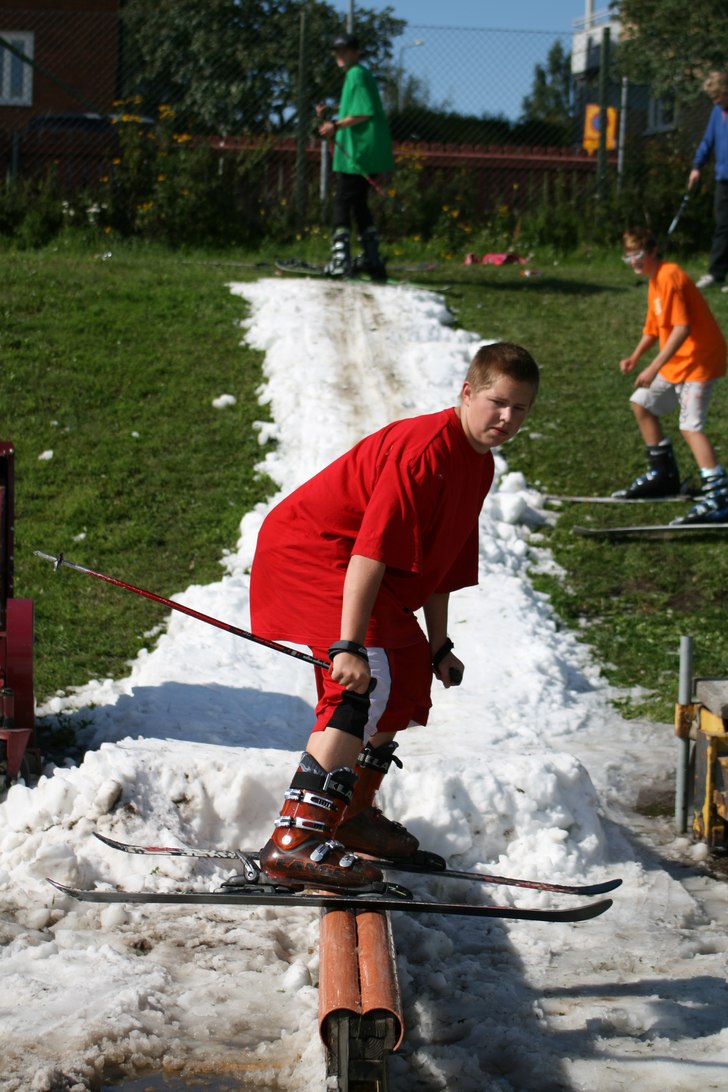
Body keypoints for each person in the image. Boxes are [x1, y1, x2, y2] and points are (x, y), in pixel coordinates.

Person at [249, 342, 540, 890]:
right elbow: (370, 551)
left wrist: (438, 645)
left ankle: (349, 815)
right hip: (315, 554)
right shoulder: (424, 452)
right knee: (364, 686)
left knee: (405, 680)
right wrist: (349, 646)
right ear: (468, 392)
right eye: (497, 402)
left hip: (357, 568)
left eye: (520, 408)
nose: (506, 417)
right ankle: (296, 839)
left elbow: (444, 565)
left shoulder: (477, 464)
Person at [615, 227, 728, 525]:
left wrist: (652, 367)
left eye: (638, 254)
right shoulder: (656, 280)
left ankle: (719, 495)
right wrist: (635, 357)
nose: (633, 261)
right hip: (679, 363)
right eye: (628, 256)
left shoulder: (671, 276)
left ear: (653, 251)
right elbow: (653, 329)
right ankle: (663, 475)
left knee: (690, 425)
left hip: (699, 361)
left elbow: (682, 329)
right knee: (642, 403)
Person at [316, 32, 393, 282]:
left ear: (356, 52)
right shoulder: (361, 74)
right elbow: (359, 105)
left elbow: (364, 113)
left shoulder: (356, 75)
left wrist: (335, 126)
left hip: (360, 151)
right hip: (369, 151)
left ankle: (341, 259)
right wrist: (334, 110)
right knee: (358, 202)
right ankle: (371, 257)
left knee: (342, 200)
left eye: (345, 50)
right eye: (337, 51)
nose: (340, 55)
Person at [689, 71, 728, 292]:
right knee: (722, 226)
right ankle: (716, 274)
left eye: (717, 96)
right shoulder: (716, 112)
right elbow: (708, 141)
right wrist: (697, 167)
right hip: (723, 178)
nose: (715, 101)